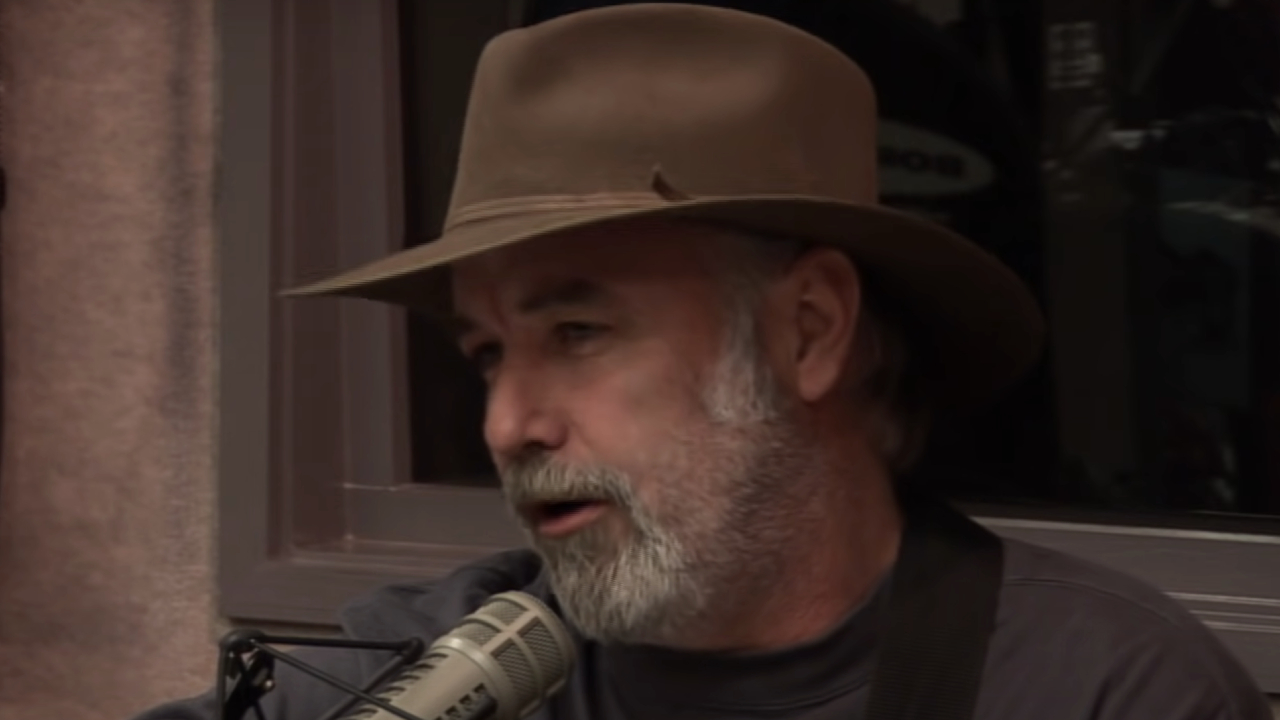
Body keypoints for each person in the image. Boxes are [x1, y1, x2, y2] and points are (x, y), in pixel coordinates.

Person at [134, 4, 1272, 720]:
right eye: (487, 351)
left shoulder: (1101, 688)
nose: (505, 422)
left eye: (577, 333)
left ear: (807, 331)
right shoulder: (428, 669)